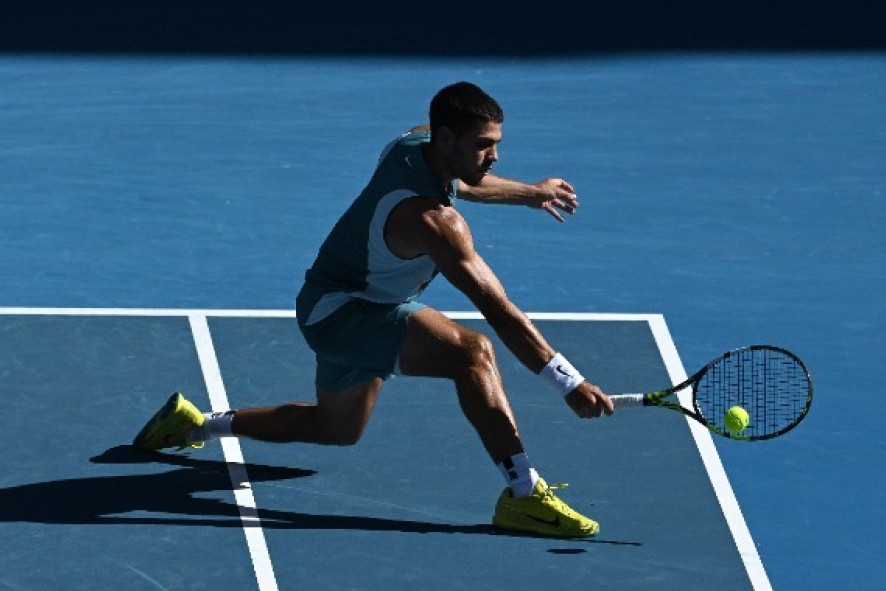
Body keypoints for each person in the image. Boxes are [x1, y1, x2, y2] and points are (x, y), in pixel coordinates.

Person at [134, 82, 614, 538]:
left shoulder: (413, 144)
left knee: (336, 429)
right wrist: (568, 383)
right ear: (445, 137)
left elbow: (463, 182)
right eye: (483, 145)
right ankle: (524, 493)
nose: (494, 156)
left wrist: (532, 192)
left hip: (328, 306)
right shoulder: (436, 225)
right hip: (345, 315)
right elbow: (498, 307)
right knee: (474, 354)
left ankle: (198, 423)